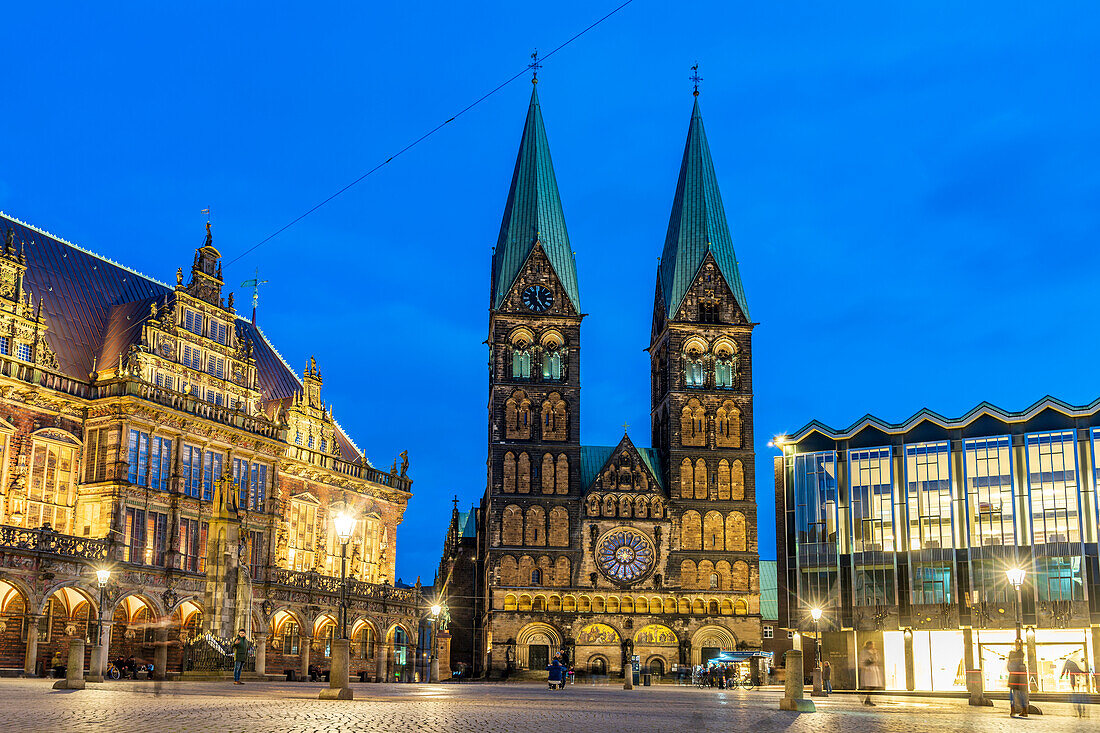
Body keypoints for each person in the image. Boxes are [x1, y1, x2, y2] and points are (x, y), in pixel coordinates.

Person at [1007, 640, 1028, 718]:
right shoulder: (1020, 654)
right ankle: (1023, 709)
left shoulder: (1014, 654)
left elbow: (1009, 666)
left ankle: (1014, 710)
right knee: (1019, 693)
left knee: (1015, 693)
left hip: (1014, 676)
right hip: (1018, 676)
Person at [859, 641, 883, 706]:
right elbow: (862, 660)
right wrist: (865, 665)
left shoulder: (875, 651)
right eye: (871, 645)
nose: (872, 646)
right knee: (869, 684)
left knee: (873, 685)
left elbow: (877, 659)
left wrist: (874, 655)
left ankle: (868, 698)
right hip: (868, 669)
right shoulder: (864, 652)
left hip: (874, 669)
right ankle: (867, 699)